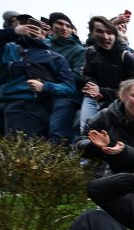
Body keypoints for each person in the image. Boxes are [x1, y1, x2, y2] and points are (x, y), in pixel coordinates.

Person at [0, 15, 75, 138]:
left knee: (18, 149)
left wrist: (45, 87)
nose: (33, 30)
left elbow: (70, 89)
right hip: (3, 104)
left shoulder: (56, 58)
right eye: (28, 26)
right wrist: (14, 32)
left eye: (38, 29)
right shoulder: (9, 49)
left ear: (45, 34)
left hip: (31, 106)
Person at [78, 16, 134, 135]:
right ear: (92, 33)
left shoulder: (127, 57)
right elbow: (87, 75)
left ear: (115, 34)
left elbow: (133, 88)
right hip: (94, 97)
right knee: (86, 131)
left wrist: (101, 90)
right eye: (100, 32)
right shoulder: (91, 53)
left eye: (109, 32)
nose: (105, 37)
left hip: (117, 100)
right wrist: (91, 86)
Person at [44, 12, 84, 143]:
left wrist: (49, 78)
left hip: (66, 97)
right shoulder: (42, 45)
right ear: (51, 26)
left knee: (57, 133)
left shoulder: (78, 50)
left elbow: (77, 77)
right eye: (60, 24)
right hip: (41, 94)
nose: (64, 28)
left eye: (68, 25)